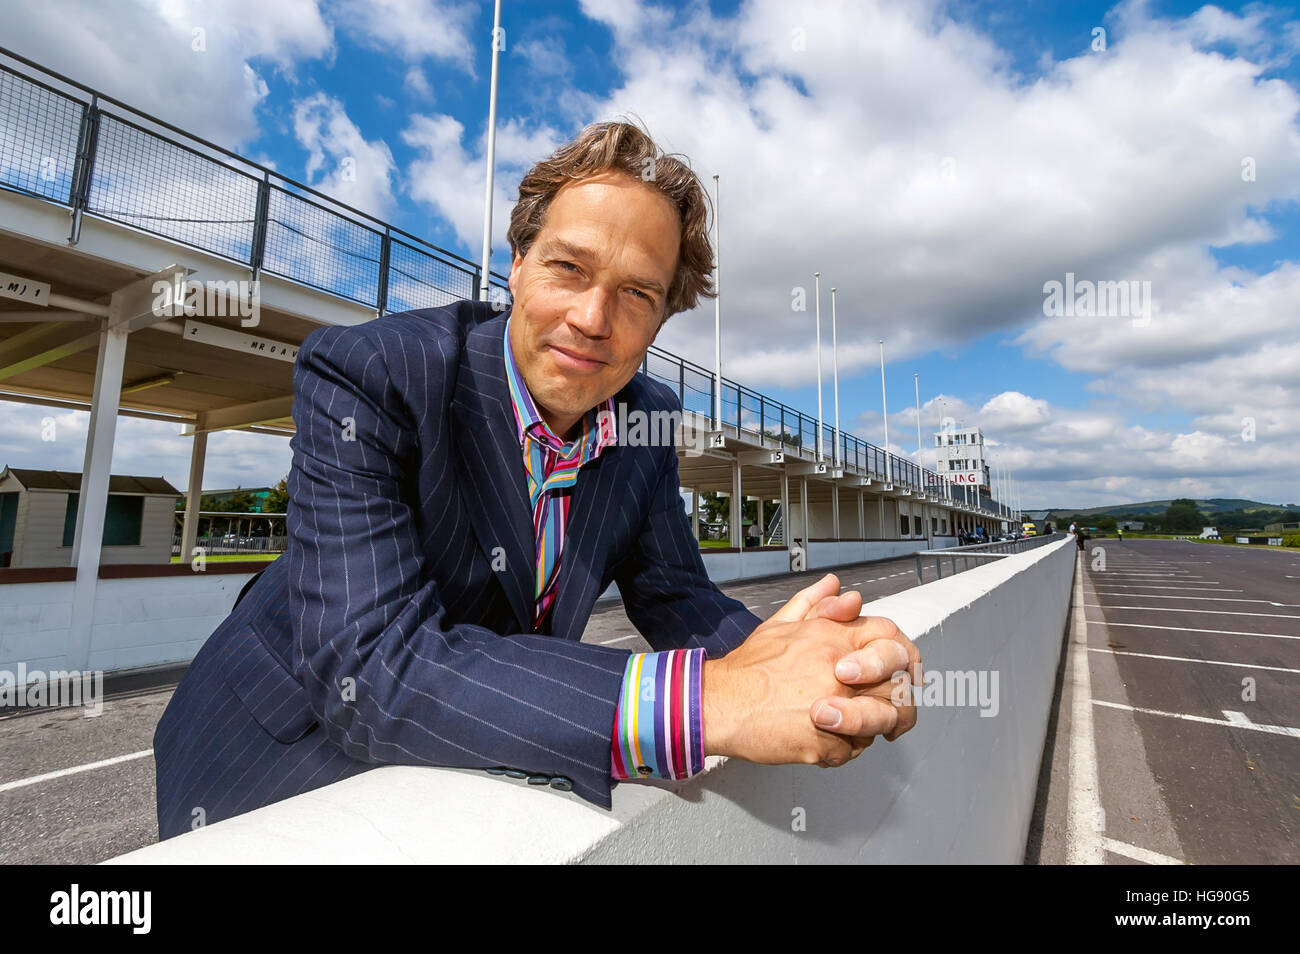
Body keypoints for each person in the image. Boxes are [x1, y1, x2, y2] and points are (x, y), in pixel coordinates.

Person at [152, 119, 921, 840]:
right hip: (270, 754)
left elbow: (676, 595)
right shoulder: (374, 373)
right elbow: (376, 664)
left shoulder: (644, 418)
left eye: (636, 293)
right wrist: (713, 700)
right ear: (517, 265)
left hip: (458, 762)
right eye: (568, 268)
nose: (593, 317)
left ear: (661, 319)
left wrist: (817, 667)